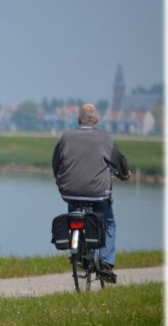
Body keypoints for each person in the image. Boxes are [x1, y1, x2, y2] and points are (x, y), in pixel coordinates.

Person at [52, 103, 130, 282]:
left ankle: (79, 252)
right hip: (98, 193)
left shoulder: (66, 136)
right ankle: (106, 263)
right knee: (108, 223)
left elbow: (56, 162)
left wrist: (59, 179)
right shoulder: (105, 138)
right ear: (97, 120)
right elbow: (120, 161)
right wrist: (125, 174)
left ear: (78, 120)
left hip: (70, 191)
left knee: (74, 216)